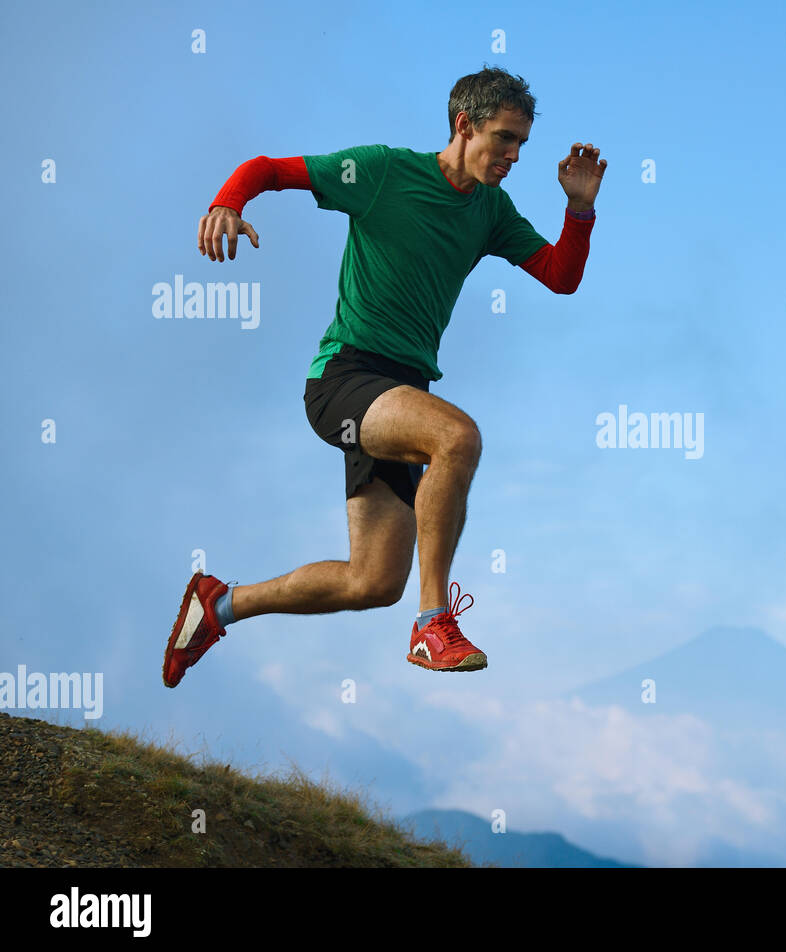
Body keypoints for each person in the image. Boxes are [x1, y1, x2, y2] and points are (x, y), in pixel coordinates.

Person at [163, 65, 605, 687]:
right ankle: (434, 623)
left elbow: (560, 275)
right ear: (464, 124)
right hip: (345, 379)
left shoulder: (492, 211)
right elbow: (268, 168)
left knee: (371, 582)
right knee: (457, 438)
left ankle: (219, 604)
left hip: (399, 398)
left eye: (522, 144)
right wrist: (226, 203)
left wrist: (579, 209)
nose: (513, 155)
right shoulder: (380, 172)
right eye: (504, 138)